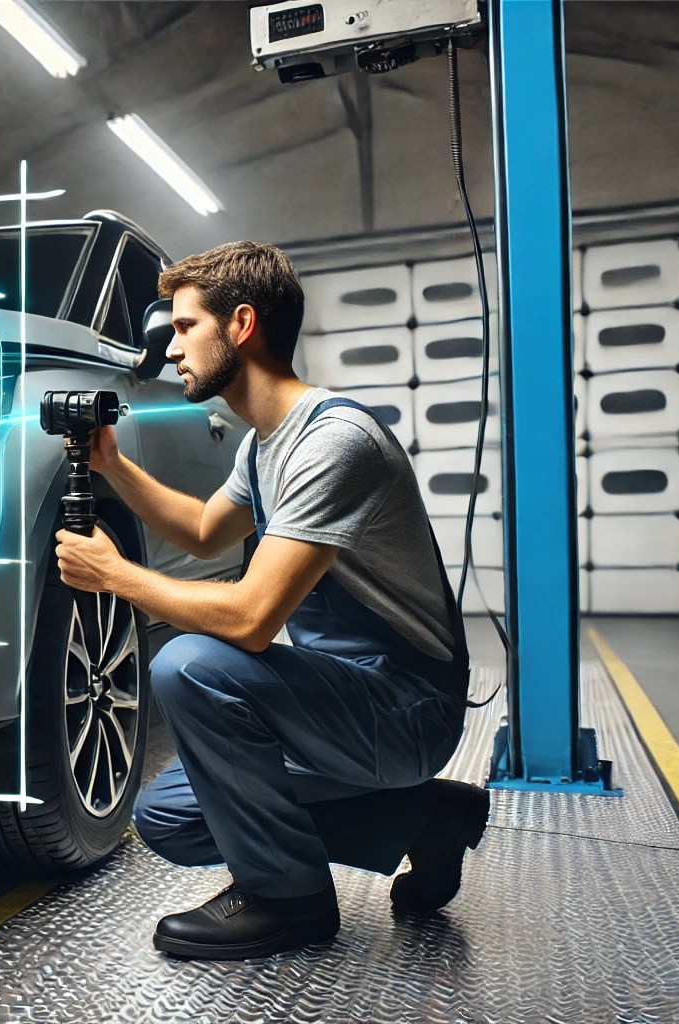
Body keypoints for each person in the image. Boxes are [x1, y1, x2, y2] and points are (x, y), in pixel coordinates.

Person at [53, 240, 488, 961]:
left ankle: (289, 899)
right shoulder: (263, 447)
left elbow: (254, 621)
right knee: (169, 818)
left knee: (190, 664)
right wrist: (115, 466)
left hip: (407, 706)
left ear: (243, 324)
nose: (173, 347)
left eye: (187, 326)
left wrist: (116, 575)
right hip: (351, 702)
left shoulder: (333, 442)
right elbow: (200, 531)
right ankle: (423, 818)